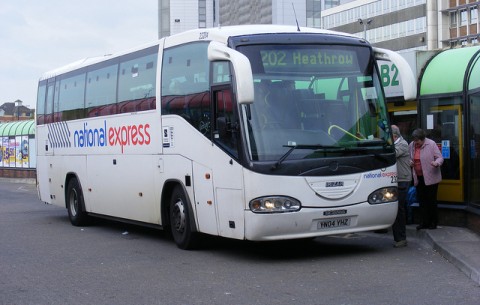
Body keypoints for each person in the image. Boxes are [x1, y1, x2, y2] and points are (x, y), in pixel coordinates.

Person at [409, 128, 444, 230]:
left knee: (431, 200)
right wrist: (409, 162)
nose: (416, 143)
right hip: (419, 177)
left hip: (431, 177)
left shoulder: (431, 144)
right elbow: (408, 157)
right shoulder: (411, 145)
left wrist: (436, 163)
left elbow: (440, 157)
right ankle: (424, 222)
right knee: (422, 200)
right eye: (414, 141)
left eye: (417, 141)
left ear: (423, 139)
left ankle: (433, 222)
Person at [391, 125, 412, 247]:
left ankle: (401, 238)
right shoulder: (397, 143)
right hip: (396, 179)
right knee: (395, 208)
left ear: (394, 136)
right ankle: (398, 238)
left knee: (399, 209)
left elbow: (393, 154)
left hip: (402, 180)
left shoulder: (403, 144)